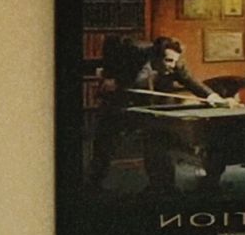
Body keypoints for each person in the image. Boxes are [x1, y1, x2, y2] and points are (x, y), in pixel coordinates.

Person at [88, 34, 230, 193]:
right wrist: (109, 75)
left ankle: (163, 187)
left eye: (175, 61)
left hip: (144, 102)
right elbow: (111, 40)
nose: (173, 65)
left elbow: (190, 81)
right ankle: (93, 184)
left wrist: (213, 97)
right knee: (105, 142)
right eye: (169, 61)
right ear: (155, 57)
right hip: (118, 100)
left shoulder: (175, 62)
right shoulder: (135, 51)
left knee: (157, 137)